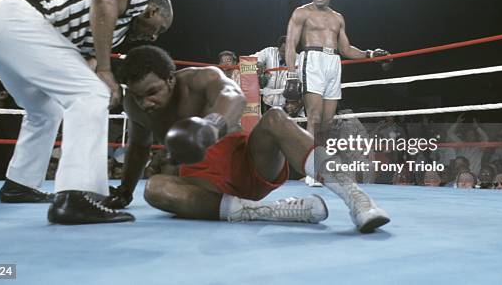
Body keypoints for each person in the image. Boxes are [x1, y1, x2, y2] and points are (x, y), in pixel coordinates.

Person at [104, 45, 390, 232]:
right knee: (154, 189)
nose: (145, 103)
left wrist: (210, 127)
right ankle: (269, 212)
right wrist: (125, 191)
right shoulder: (134, 105)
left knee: (276, 117)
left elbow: (234, 97)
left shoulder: (201, 79)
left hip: (248, 161)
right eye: (138, 96)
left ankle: (358, 199)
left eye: (151, 92)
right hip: (205, 187)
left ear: (169, 78)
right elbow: (139, 148)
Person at [0, 0, 173, 224]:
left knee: (45, 110)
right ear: (152, 10)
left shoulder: (114, 34)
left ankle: (20, 184)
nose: (154, 37)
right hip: (20, 21)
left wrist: (100, 74)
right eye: (160, 28)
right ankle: (76, 196)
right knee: (91, 94)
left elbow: (82, 62)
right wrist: (104, 71)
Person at [283, 0, 390, 185]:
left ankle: (320, 167)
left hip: (333, 62)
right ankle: (311, 170)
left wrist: (369, 54)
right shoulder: (301, 12)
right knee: (313, 117)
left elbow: (346, 49)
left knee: (327, 122)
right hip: (311, 60)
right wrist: (292, 73)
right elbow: (290, 44)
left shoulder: (337, 18)